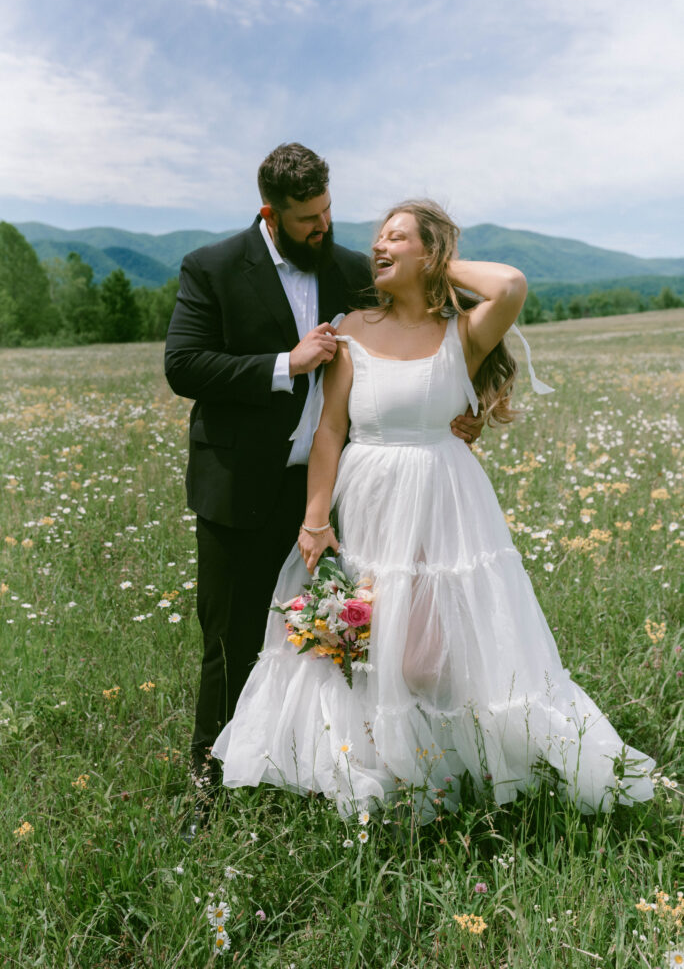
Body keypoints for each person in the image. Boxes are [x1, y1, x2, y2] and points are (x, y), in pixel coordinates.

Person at [211, 199, 654, 819]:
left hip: (445, 501)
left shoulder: (464, 332)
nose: (380, 248)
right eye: (379, 239)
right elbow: (330, 433)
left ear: (431, 253)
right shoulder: (352, 328)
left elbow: (510, 284)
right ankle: (386, 766)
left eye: (397, 238)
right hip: (368, 499)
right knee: (366, 641)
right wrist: (315, 520)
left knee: (428, 652)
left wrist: (444, 267)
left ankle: (456, 760)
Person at [164, 147, 482, 811]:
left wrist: (463, 405)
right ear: (269, 214)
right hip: (241, 491)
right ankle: (208, 787)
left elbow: (431, 318)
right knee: (231, 641)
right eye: (308, 218)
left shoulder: (346, 270)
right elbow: (185, 366)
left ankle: (317, 766)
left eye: (328, 210)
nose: (324, 226)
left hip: (341, 493)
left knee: (344, 638)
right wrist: (287, 361)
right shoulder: (213, 268)